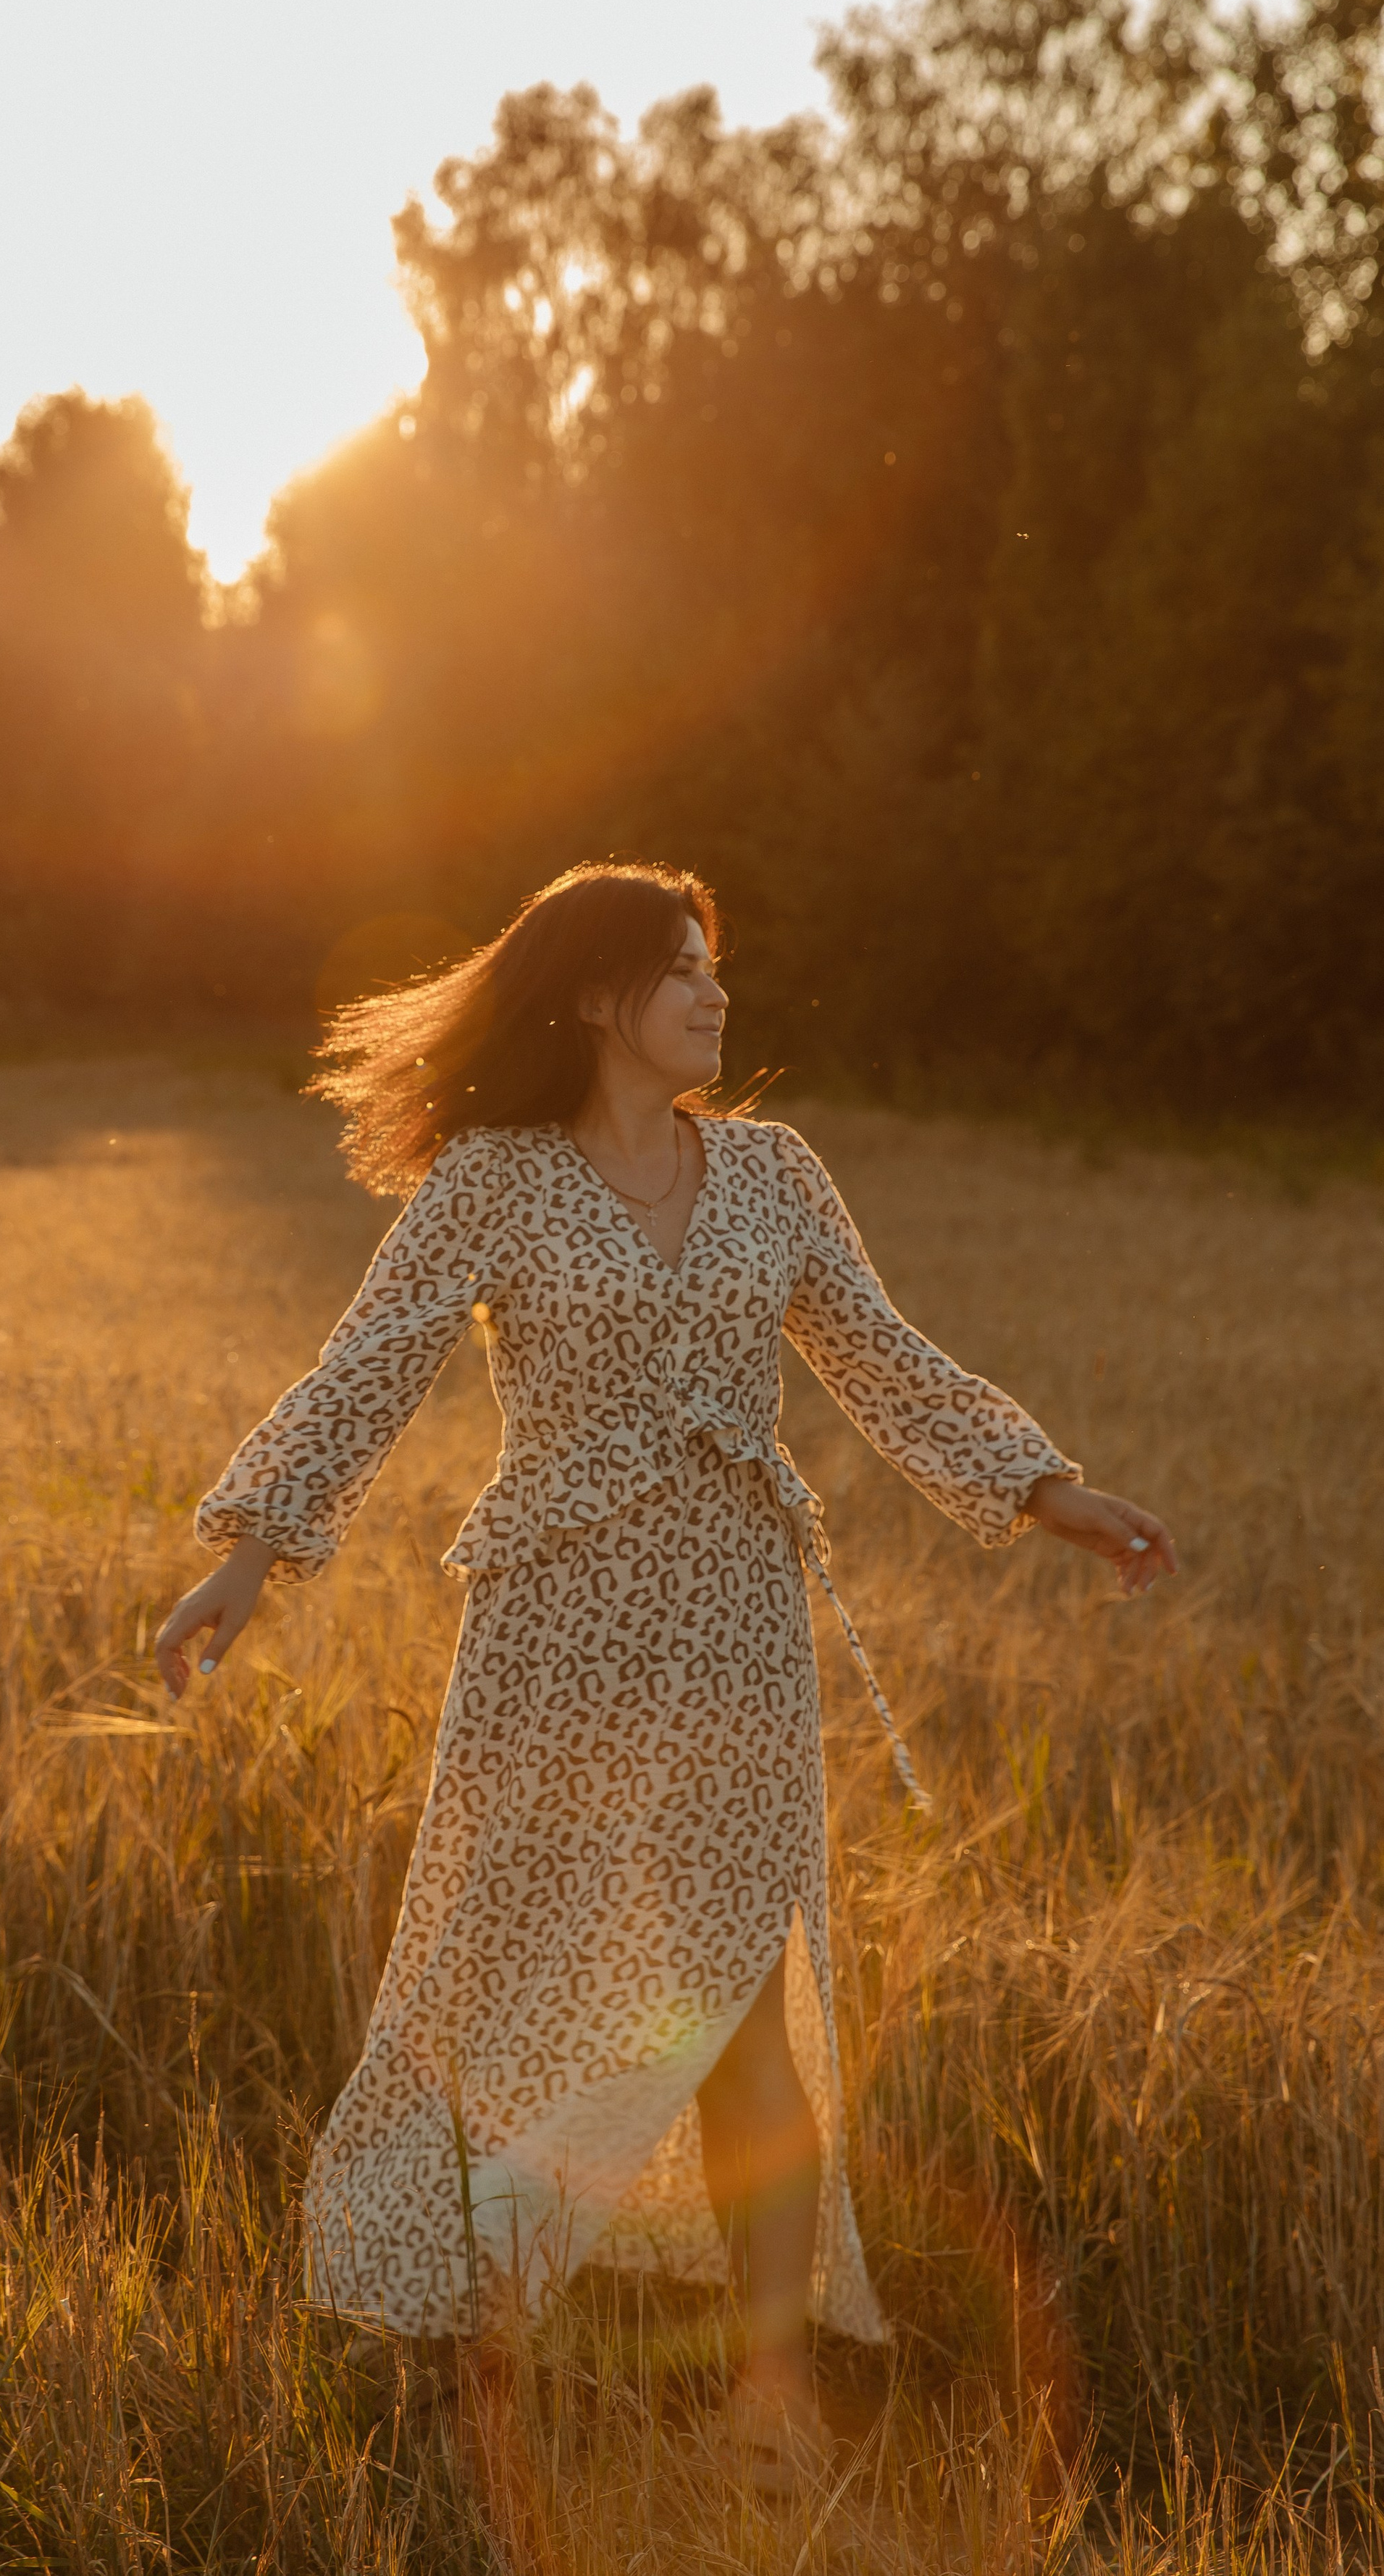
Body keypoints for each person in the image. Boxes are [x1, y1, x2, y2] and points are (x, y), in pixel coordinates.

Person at [154, 861, 1177, 2487]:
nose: (716, 996)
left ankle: (765, 2397)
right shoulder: (492, 1180)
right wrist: (248, 1556)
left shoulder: (773, 1173)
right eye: (681, 971)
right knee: (513, 1996)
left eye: (717, 969)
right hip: (553, 1636)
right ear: (588, 997)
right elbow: (367, 1363)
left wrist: (1046, 1492)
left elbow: (881, 1357)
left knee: (744, 2018)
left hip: (734, 1635)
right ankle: (468, 2359)